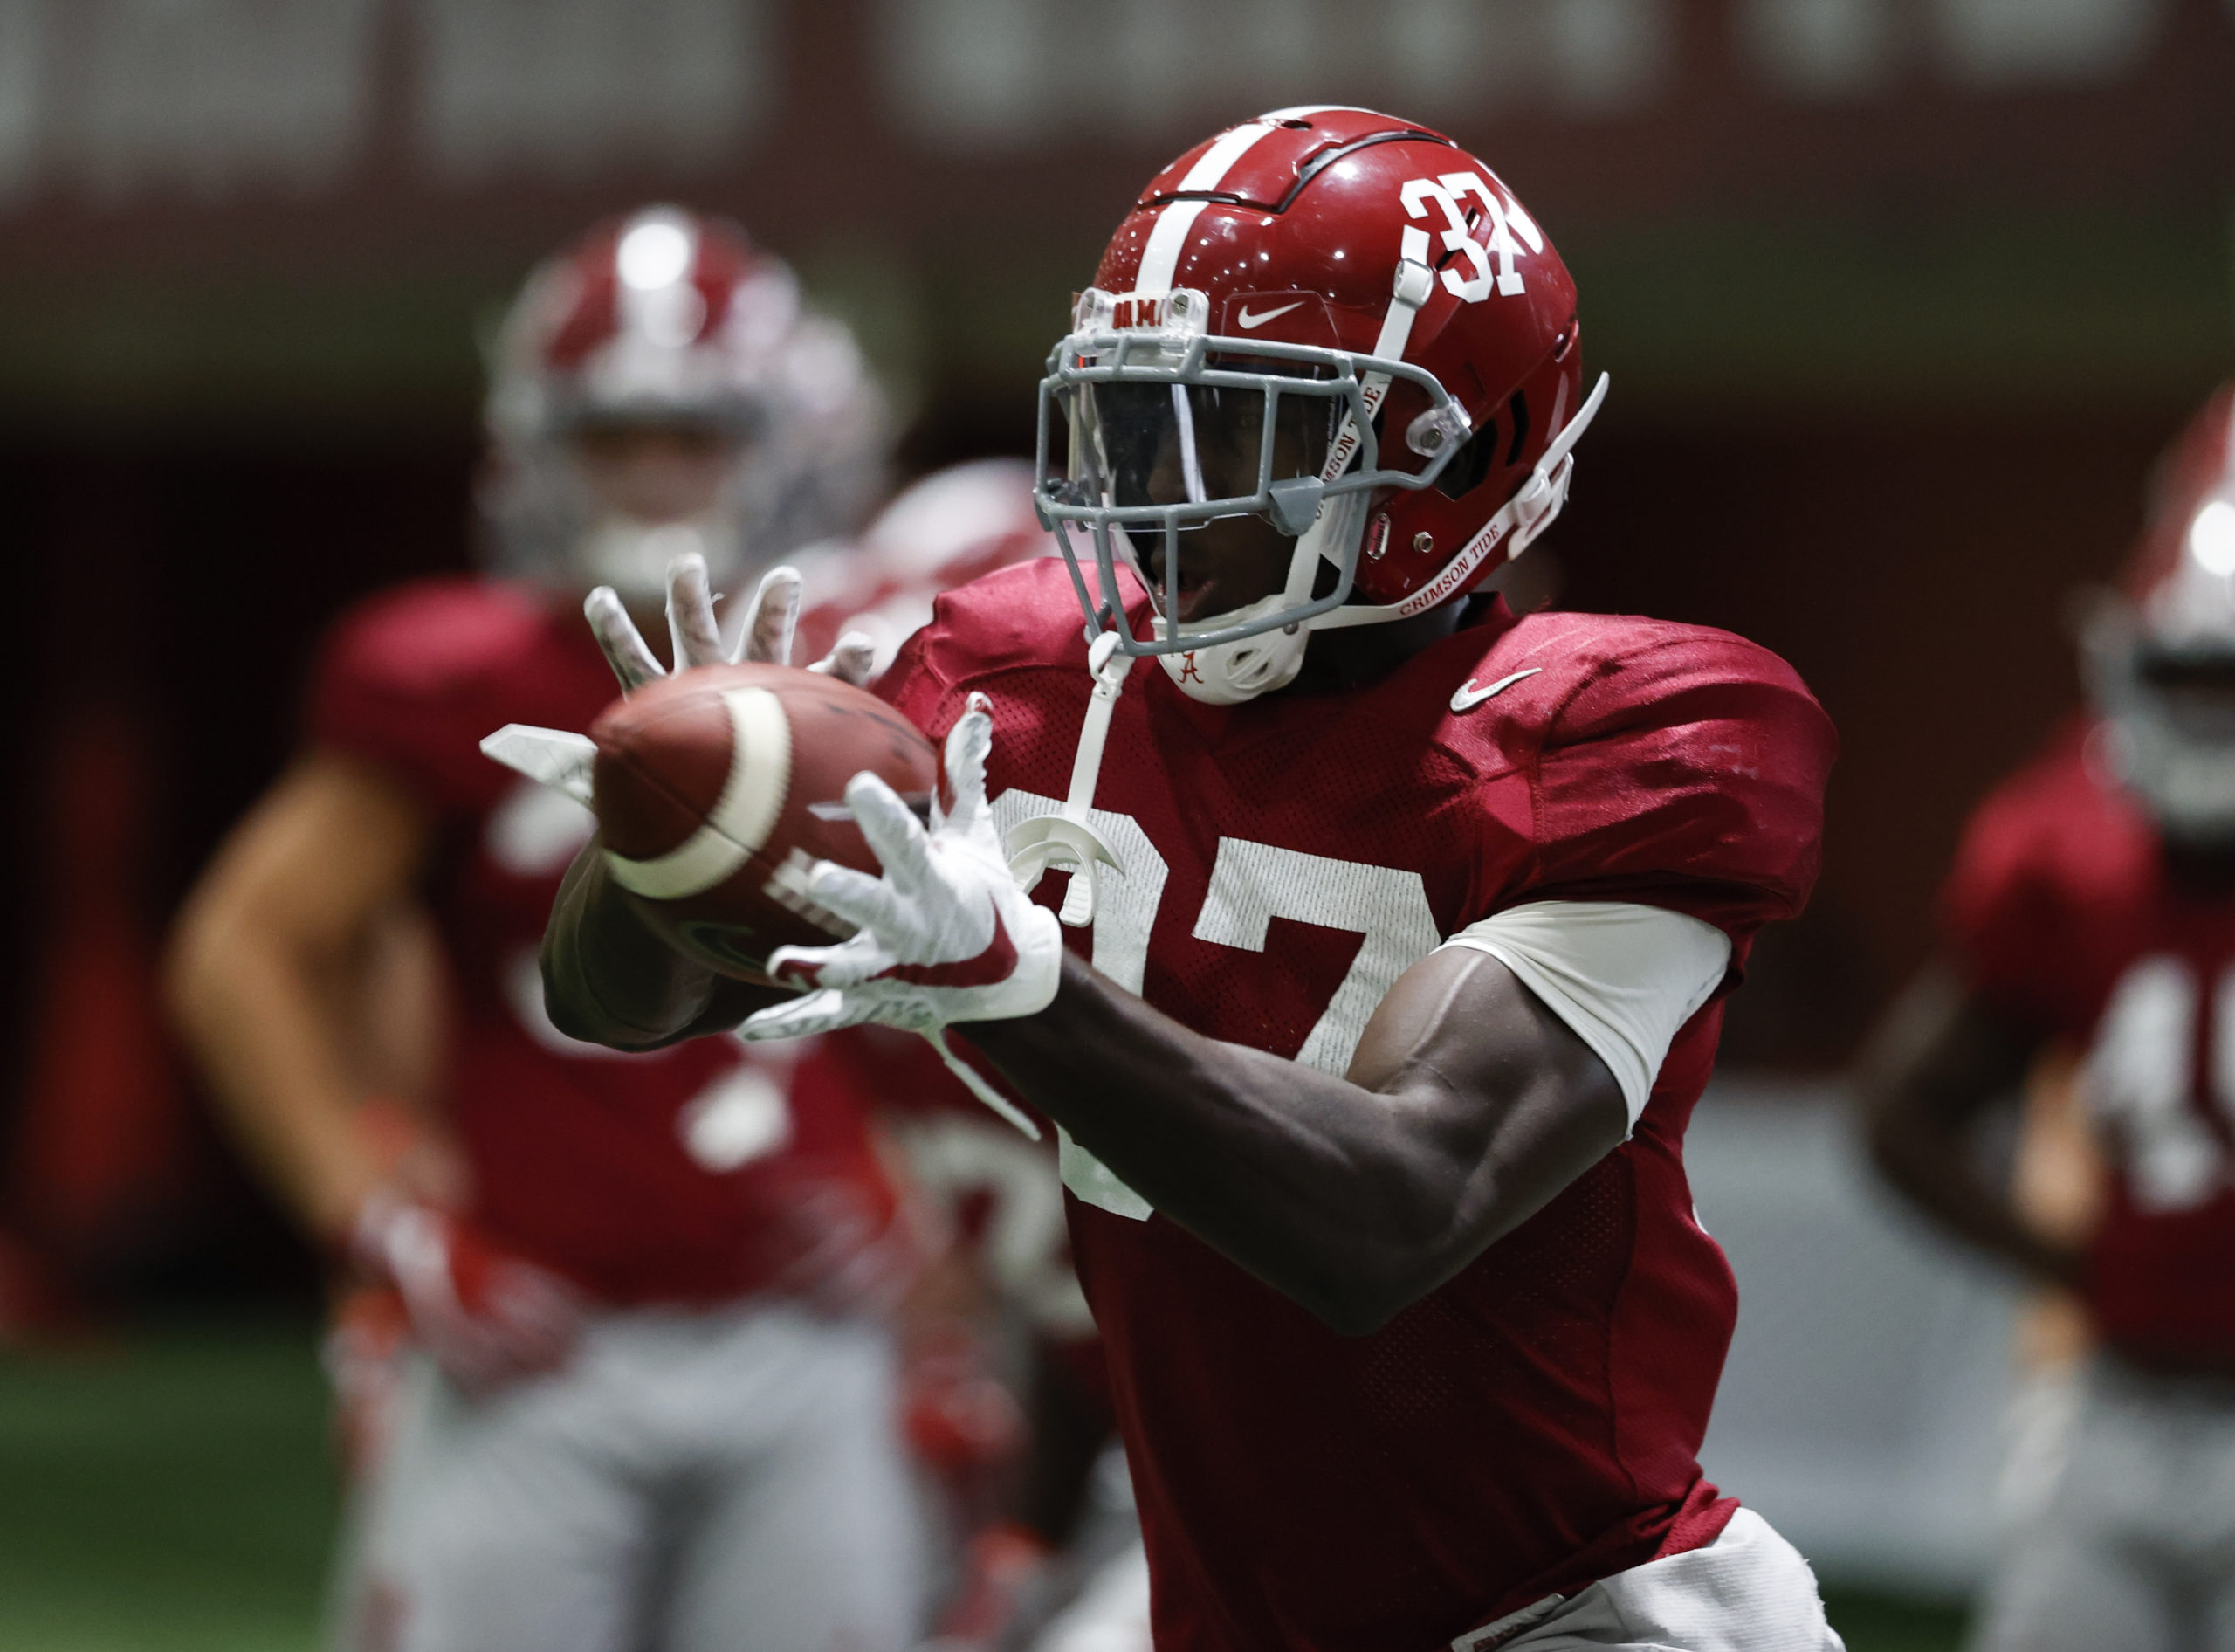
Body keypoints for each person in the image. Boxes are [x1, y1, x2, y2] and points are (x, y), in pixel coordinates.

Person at [536, 109, 1842, 1649]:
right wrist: (679, 840)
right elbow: (609, 1007)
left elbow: (1390, 1215)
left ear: (1458, 447)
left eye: (1249, 431)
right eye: (1142, 423)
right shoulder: (1021, 678)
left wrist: (1006, 982)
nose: (1166, 494)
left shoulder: (1619, 734)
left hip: (1587, 1616)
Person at [168, 205, 936, 1652]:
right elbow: (240, 952)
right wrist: (377, 1211)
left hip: (807, 1331)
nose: (654, 474)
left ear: (783, 438)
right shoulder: (448, 675)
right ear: (542, 445)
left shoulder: (867, 667)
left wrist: (917, 1188)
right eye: (616, 435)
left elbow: (954, 964)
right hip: (544, 1339)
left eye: (693, 434)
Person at [1863, 383, 2235, 1652]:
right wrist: (2080, 1268)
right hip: (2118, 1403)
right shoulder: (2070, 843)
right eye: (2192, 679)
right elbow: (1901, 1112)